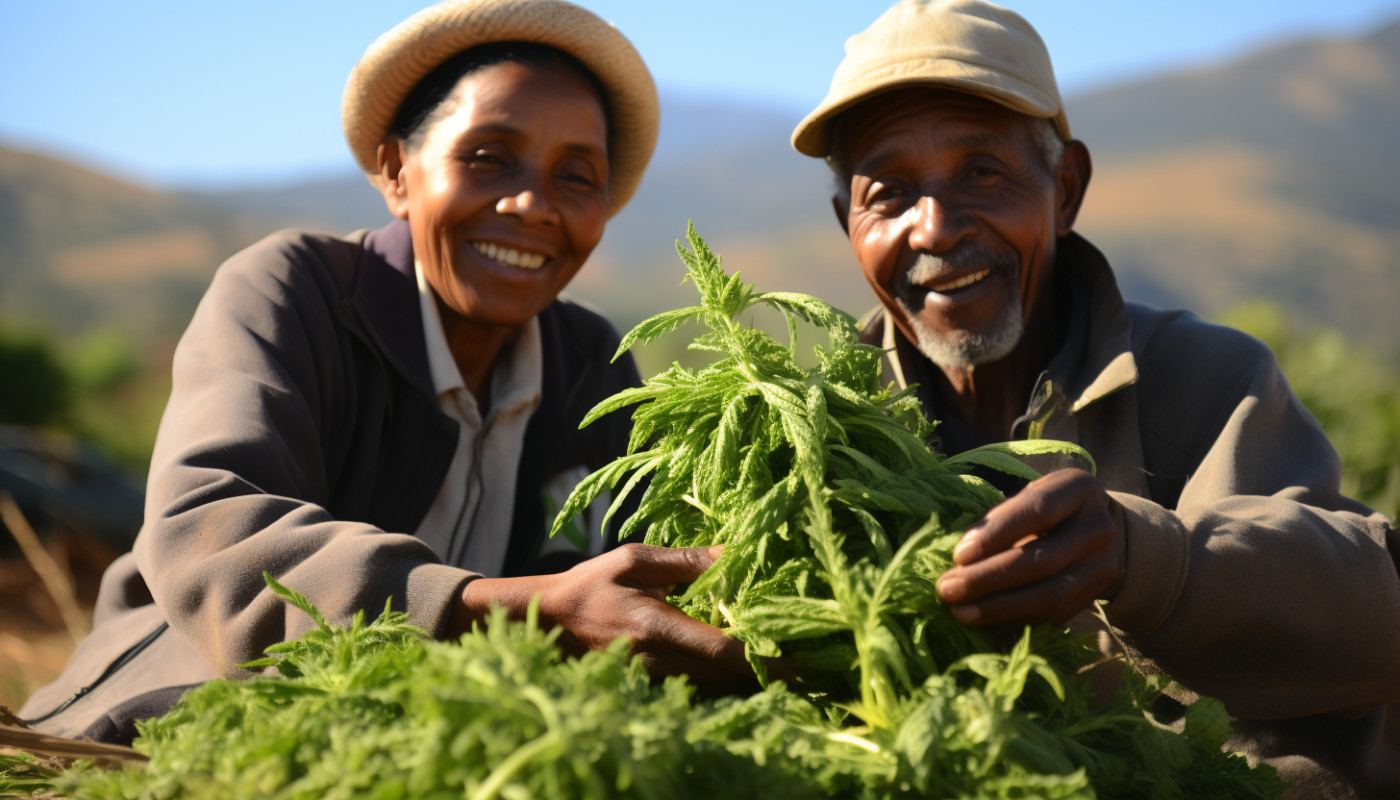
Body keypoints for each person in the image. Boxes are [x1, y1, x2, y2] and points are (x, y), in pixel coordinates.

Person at [19, 0, 754, 744]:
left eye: (576, 176)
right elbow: (209, 531)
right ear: (398, 172)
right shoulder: (293, 291)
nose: (533, 203)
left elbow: (638, 567)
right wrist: (513, 611)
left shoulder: (590, 361)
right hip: (174, 717)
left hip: (437, 740)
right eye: (488, 157)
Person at [790, 0, 1400, 796]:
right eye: (890, 193)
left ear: (1065, 188)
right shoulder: (821, 431)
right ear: (849, 223)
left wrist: (1143, 558)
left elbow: (1373, 619)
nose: (933, 228)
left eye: (982, 171)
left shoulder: (1205, 380)